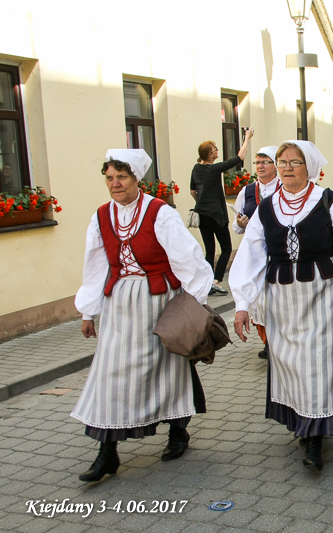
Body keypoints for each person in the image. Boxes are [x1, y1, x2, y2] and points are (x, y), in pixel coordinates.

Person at [72, 149, 214, 482]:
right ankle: (108, 453)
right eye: (109, 178)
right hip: (120, 302)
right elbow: (94, 266)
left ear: (137, 179)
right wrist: (88, 311)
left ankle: (178, 430)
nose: (115, 184)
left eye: (121, 177)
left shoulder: (159, 213)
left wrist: (197, 304)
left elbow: (187, 258)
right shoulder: (101, 216)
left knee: (169, 367)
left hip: (159, 301)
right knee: (110, 375)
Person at [230, 140, 333, 471]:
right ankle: (302, 421)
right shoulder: (266, 207)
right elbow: (250, 255)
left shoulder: (328, 202)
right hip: (281, 298)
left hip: (323, 293)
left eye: (294, 162)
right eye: (282, 161)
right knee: (290, 361)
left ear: (309, 167)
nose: (287, 167)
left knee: (319, 361)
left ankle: (314, 436)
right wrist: (241, 304)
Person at [191, 128, 254, 295]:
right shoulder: (213, 169)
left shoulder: (196, 169)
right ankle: (216, 281)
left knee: (210, 251)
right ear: (210, 154)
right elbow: (239, 158)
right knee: (226, 248)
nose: (217, 150)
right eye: (215, 149)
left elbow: (192, 191)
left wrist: (202, 202)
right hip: (216, 215)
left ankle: (207, 282)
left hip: (202, 215)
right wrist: (247, 138)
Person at [233, 146, 280, 360]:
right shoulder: (248, 190)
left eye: (265, 162)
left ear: (275, 165)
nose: (260, 166)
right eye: (257, 162)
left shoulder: (284, 187)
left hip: (279, 251)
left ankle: (277, 341)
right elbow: (236, 226)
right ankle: (268, 341)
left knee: (276, 297)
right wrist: (240, 223)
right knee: (260, 300)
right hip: (255, 251)